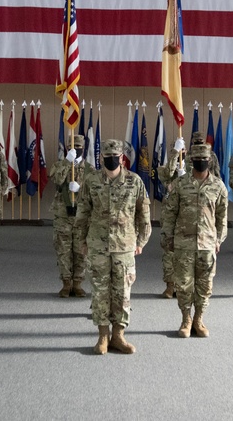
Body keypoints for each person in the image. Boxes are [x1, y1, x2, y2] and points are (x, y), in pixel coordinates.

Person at [75, 138, 151, 355]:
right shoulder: (91, 181)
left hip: (125, 245)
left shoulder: (134, 182)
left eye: (115, 158)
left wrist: (141, 241)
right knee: (100, 291)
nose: (111, 161)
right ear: (101, 159)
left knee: (122, 292)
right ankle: (102, 336)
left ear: (121, 158)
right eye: (107, 158)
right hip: (97, 244)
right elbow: (83, 213)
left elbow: (143, 214)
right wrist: (81, 241)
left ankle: (118, 335)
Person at [162, 143, 228, 338]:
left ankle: (198, 319)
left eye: (204, 160)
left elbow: (222, 216)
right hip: (183, 243)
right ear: (191, 162)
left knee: (205, 284)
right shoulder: (181, 184)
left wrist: (219, 240)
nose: (201, 163)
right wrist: (168, 237)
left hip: (207, 243)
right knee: (183, 284)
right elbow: (170, 213)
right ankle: (185, 319)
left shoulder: (218, 185)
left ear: (209, 161)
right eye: (197, 160)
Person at [156, 131, 219, 298]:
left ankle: (185, 286)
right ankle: (170, 285)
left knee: (189, 256)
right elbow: (164, 175)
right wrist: (176, 154)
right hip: (173, 206)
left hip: (194, 211)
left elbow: (213, 179)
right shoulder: (178, 157)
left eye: (201, 141)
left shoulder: (200, 160)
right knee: (170, 251)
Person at [48, 134, 95, 298]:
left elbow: (95, 192)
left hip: (82, 217)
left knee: (81, 251)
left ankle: (77, 283)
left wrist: (80, 188)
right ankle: (66, 283)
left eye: (79, 147)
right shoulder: (60, 165)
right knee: (63, 251)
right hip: (63, 216)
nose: (76, 149)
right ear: (68, 148)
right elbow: (57, 180)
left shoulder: (90, 169)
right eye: (73, 147)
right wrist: (67, 162)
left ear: (84, 148)